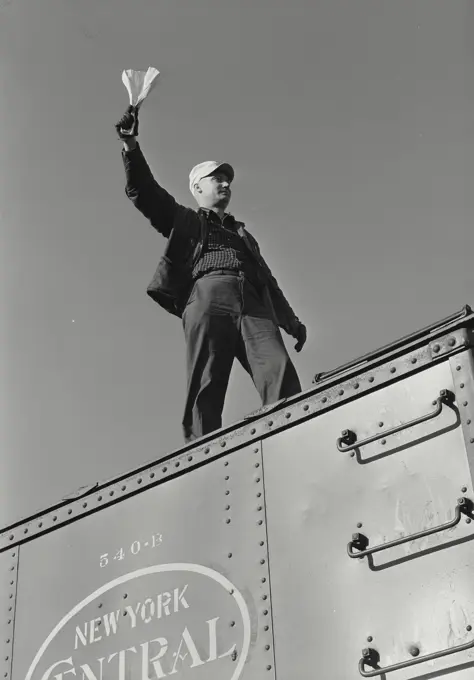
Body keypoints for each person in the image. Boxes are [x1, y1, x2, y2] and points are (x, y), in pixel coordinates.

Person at [116, 105, 307, 443]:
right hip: (207, 296)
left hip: (252, 302)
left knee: (278, 370)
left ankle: (290, 440)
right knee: (207, 382)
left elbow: (269, 282)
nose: (225, 183)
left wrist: (291, 321)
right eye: (216, 178)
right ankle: (201, 455)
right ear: (197, 188)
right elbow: (144, 192)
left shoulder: (243, 235)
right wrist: (131, 145)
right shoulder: (186, 221)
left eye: (227, 179)